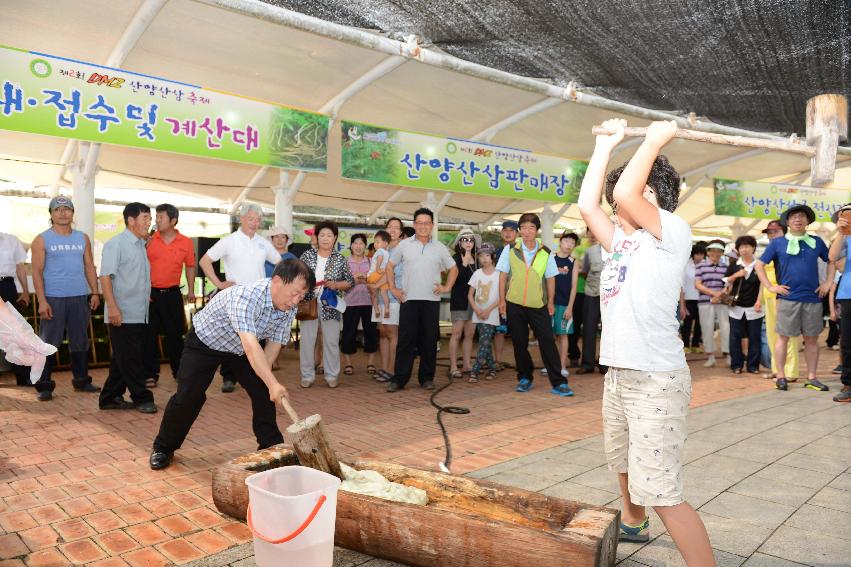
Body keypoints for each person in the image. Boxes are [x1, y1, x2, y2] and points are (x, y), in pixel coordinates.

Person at [578, 118, 715, 566]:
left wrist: (654, 141)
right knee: (620, 457)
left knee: (662, 489)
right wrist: (606, 143)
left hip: (657, 380)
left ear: (660, 204)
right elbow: (588, 204)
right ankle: (633, 521)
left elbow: (623, 196)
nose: (626, 205)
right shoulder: (621, 244)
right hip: (619, 374)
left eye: (643, 195)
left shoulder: (671, 234)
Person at [149, 259, 313, 470]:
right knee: (189, 396)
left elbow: (271, 349)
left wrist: (269, 382)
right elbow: (251, 344)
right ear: (278, 281)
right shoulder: (246, 296)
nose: (296, 301)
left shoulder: (288, 307)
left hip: (239, 349)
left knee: (263, 389)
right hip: (206, 342)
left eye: (302, 296)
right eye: (294, 293)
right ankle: (163, 446)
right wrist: (272, 382)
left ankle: (270, 447)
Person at [199, 203, 281, 393]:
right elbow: (205, 261)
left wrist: (273, 285)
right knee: (232, 338)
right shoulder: (230, 241)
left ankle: (257, 377)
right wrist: (219, 284)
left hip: (259, 299)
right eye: (251, 218)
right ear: (242, 219)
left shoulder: (263, 242)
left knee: (256, 339)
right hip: (235, 298)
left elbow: (279, 262)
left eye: (258, 219)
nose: (254, 222)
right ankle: (228, 377)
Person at [30, 195, 101, 401]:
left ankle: (81, 382)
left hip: (79, 296)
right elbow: (36, 272)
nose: (63, 213)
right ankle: (44, 386)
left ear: (72, 213)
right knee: (49, 342)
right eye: (58, 209)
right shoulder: (42, 239)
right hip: (53, 298)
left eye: (67, 209)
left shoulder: (82, 238)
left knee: (80, 340)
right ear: (51, 214)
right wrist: (42, 301)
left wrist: (94, 292)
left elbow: (89, 266)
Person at [755, 204, 833, 391]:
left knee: (812, 339)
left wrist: (828, 282)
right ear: (787, 222)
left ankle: (812, 377)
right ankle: (780, 376)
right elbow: (759, 265)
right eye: (794, 217)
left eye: (801, 216)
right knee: (783, 338)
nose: (798, 220)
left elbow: (831, 260)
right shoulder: (778, 243)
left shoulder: (816, 241)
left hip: (813, 298)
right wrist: (771, 286)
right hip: (788, 298)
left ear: (808, 221)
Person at [497, 212, 572, 396]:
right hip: (514, 303)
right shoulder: (510, 249)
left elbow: (551, 279)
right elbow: (502, 275)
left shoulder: (545, 252)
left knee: (547, 342)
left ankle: (559, 382)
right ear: (519, 230)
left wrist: (551, 302)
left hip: (538, 305)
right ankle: (524, 377)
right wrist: (501, 300)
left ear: (536, 230)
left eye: (531, 228)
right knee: (519, 343)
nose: (527, 231)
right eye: (523, 228)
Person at [386, 208, 458, 392]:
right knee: (405, 340)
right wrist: (393, 288)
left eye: (427, 223)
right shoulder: (404, 245)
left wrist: (446, 287)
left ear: (432, 226)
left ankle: (426, 378)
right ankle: (399, 379)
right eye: (420, 223)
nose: (423, 226)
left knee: (429, 340)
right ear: (414, 225)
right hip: (408, 300)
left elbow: (454, 269)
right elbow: (390, 266)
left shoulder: (440, 247)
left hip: (431, 301)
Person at [98, 202, 157, 413]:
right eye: (145, 218)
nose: (149, 222)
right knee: (131, 358)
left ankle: (109, 397)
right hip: (122, 312)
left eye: (149, 218)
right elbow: (105, 276)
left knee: (123, 357)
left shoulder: (141, 245)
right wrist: (113, 308)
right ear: (131, 221)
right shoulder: (116, 244)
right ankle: (142, 397)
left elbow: (134, 277)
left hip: (138, 311)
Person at [144, 203, 196, 387]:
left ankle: (179, 371)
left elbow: (190, 266)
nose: (156, 220)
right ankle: (150, 374)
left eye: (161, 217)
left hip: (173, 294)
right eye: (156, 217)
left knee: (175, 336)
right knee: (148, 335)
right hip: (150, 295)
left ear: (173, 220)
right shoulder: (148, 240)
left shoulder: (186, 242)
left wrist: (191, 290)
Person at [298, 221, 353, 388]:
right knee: (307, 340)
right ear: (316, 237)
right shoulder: (307, 256)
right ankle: (307, 376)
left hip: (331, 304)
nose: (325, 238)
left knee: (331, 341)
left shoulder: (340, 259)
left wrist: (336, 285)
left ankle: (331, 375)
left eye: (329, 235)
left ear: (335, 238)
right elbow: (298, 277)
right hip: (309, 303)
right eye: (322, 235)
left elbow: (350, 281)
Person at [759, 219, 800, 381]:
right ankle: (777, 370)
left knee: (788, 335)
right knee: (772, 335)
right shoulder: (769, 249)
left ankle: (790, 372)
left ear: (785, 231)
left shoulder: (792, 247)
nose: (771, 235)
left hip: (785, 296)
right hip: (769, 298)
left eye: (775, 231)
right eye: (769, 232)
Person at [371, 218, 404, 383]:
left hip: (393, 297)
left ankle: (392, 369)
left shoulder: (403, 249)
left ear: (401, 232)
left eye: (397, 228)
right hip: (379, 296)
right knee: (382, 332)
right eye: (390, 227)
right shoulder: (381, 249)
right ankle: (384, 368)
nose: (393, 230)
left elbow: (396, 274)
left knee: (392, 333)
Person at [724, 235, 763, 374]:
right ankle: (736, 365)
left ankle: (753, 366)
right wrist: (737, 275)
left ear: (753, 248)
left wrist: (759, 301)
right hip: (736, 308)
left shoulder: (759, 265)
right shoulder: (734, 265)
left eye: (747, 246)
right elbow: (726, 281)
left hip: (755, 308)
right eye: (741, 247)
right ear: (738, 249)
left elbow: (763, 285)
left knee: (755, 337)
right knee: (735, 337)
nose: (744, 249)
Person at [341, 233, 379, 376]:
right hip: (350, 303)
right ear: (351, 246)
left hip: (369, 302)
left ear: (365, 246)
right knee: (348, 333)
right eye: (355, 243)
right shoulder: (345, 262)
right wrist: (353, 280)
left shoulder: (371, 262)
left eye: (361, 243)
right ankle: (348, 363)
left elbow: (376, 281)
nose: (358, 246)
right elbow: (341, 283)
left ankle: (371, 362)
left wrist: (366, 280)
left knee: (371, 332)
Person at [0, 232, 32, 386]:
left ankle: (23, 376)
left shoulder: (12, 240)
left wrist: (25, 291)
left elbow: (20, 267)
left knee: (14, 333)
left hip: (7, 286)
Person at [448, 228, 479, 379]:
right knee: (457, 333)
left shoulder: (478, 260)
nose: (468, 242)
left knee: (470, 334)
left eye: (471, 239)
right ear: (459, 242)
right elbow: (454, 280)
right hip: (459, 301)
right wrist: (464, 264)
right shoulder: (455, 259)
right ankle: (453, 366)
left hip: (474, 303)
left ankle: (467, 364)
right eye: (465, 239)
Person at [694, 240, 730, 367]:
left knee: (726, 328)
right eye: (713, 250)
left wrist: (720, 295)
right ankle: (710, 357)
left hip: (722, 302)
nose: (715, 253)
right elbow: (698, 284)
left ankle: (728, 355)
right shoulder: (700, 266)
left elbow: (728, 284)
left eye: (719, 251)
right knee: (707, 328)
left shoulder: (726, 267)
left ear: (722, 253)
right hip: (705, 302)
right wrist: (713, 294)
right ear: (708, 252)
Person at [828, 203, 850, 402]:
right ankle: (848, 384)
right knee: (848, 342)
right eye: (846, 213)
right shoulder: (842, 237)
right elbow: (833, 258)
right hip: (848, 292)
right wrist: (841, 232)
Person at [468, 244, 500, 382]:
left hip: (491, 314)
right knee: (485, 342)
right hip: (478, 313)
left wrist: (487, 310)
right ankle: (492, 369)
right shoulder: (477, 274)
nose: (484, 259)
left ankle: (475, 371)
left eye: (487, 255)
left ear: (493, 257)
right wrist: (476, 309)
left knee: (484, 342)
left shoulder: (499, 274)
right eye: (481, 256)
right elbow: (470, 295)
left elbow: (501, 297)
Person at [553, 232, 579, 378]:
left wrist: (570, 307)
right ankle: (551, 365)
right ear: (560, 241)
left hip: (564, 304)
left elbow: (574, 286)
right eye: (567, 241)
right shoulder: (551, 258)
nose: (569, 244)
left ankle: (562, 366)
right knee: (549, 336)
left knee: (563, 335)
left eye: (572, 243)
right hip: (551, 303)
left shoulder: (573, 261)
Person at [493, 220, 518, 370]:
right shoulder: (495, 252)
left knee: (518, 331)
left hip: (517, 296)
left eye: (512, 230)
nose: (508, 233)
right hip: (498, 297)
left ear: (517, 233)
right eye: (505, 230)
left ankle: (520, 361)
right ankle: (497, 361)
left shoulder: (522, 250)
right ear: (502, 232)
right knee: (499, 330)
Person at [578, 230, 603, 374]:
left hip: (611, 297)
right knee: (588, 329)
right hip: (591, 293)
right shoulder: (590, 251)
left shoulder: (618, 251)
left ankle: (605, 364)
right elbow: (585, 270)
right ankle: (587, 364)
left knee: (608, 331)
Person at [681, 245, 705, 352]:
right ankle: (685, 345)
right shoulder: (686, 266)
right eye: (697, 254)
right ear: (693, 254)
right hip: (689, 298)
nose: (699, 257)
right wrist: (682, 304)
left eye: (701, 254)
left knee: (700, 323)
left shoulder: (706, 266)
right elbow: (682, 285)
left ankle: (695, 344)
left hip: (702, 298)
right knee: (687, 323)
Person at [367, 230, 392, 319]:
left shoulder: (379, 251)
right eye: (375, 242)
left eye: (378, 242)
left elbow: (380, 259)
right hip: (383, 275)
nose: (375, 244)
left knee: (373, 293)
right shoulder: (388, 252)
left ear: (385, 243)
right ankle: (387, 309)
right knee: (383, 293)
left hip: (374, 274)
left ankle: (376, 309)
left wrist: (377, 268)